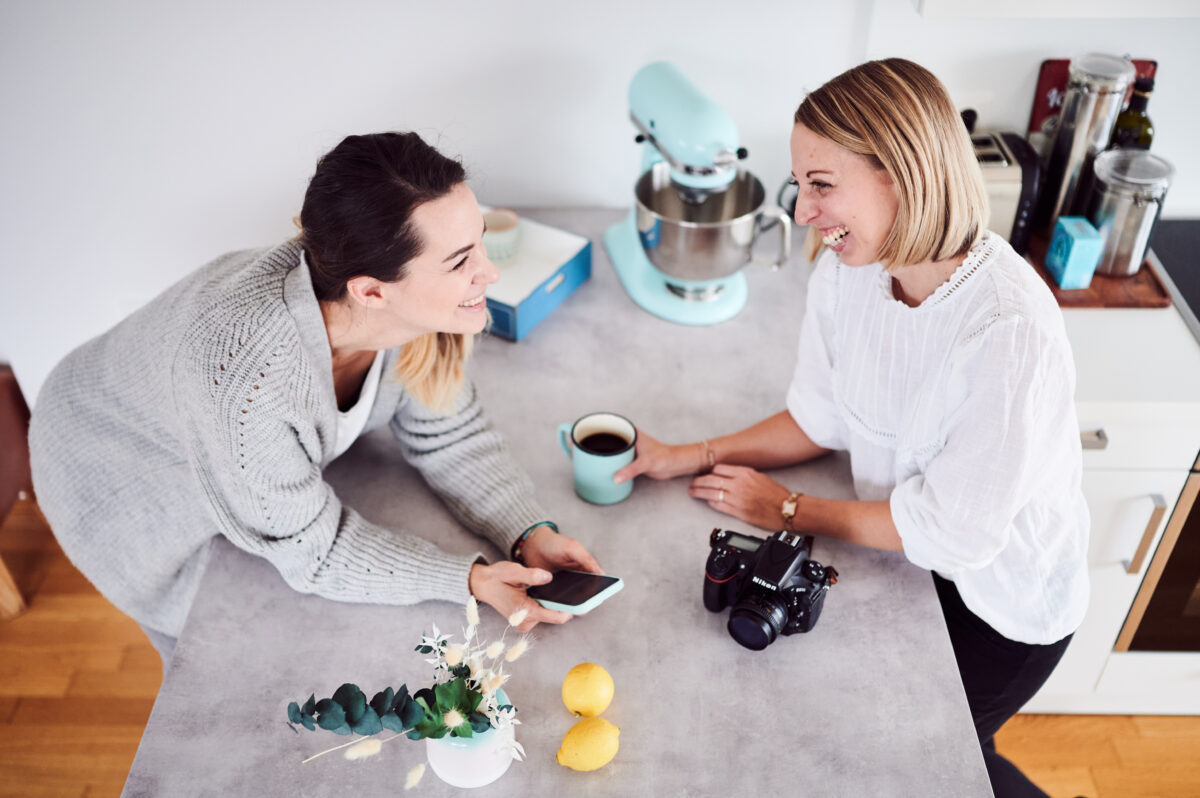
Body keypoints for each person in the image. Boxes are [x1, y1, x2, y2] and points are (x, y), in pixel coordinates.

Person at [614, 59, 1088, 798]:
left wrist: (789, 510)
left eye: (822, 185)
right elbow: (821, 416)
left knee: (939, 769)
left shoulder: (1007, 331)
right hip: (907, 571)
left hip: (997, 610)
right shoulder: (852, 270)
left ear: (901, 173)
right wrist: (693, 453)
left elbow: (952, 533)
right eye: (802, 185)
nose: (803, 212)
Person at [29, 131, 602, 664]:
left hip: (206, 420)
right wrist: (471, 580)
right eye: (460, 262)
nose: (490, 275)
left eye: (478, 245)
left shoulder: (404, 309)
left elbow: (452, 432)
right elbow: (317, 553)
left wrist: (528, 533)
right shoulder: (244, 386)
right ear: (371, 291)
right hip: (109, 465)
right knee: (218, 651)